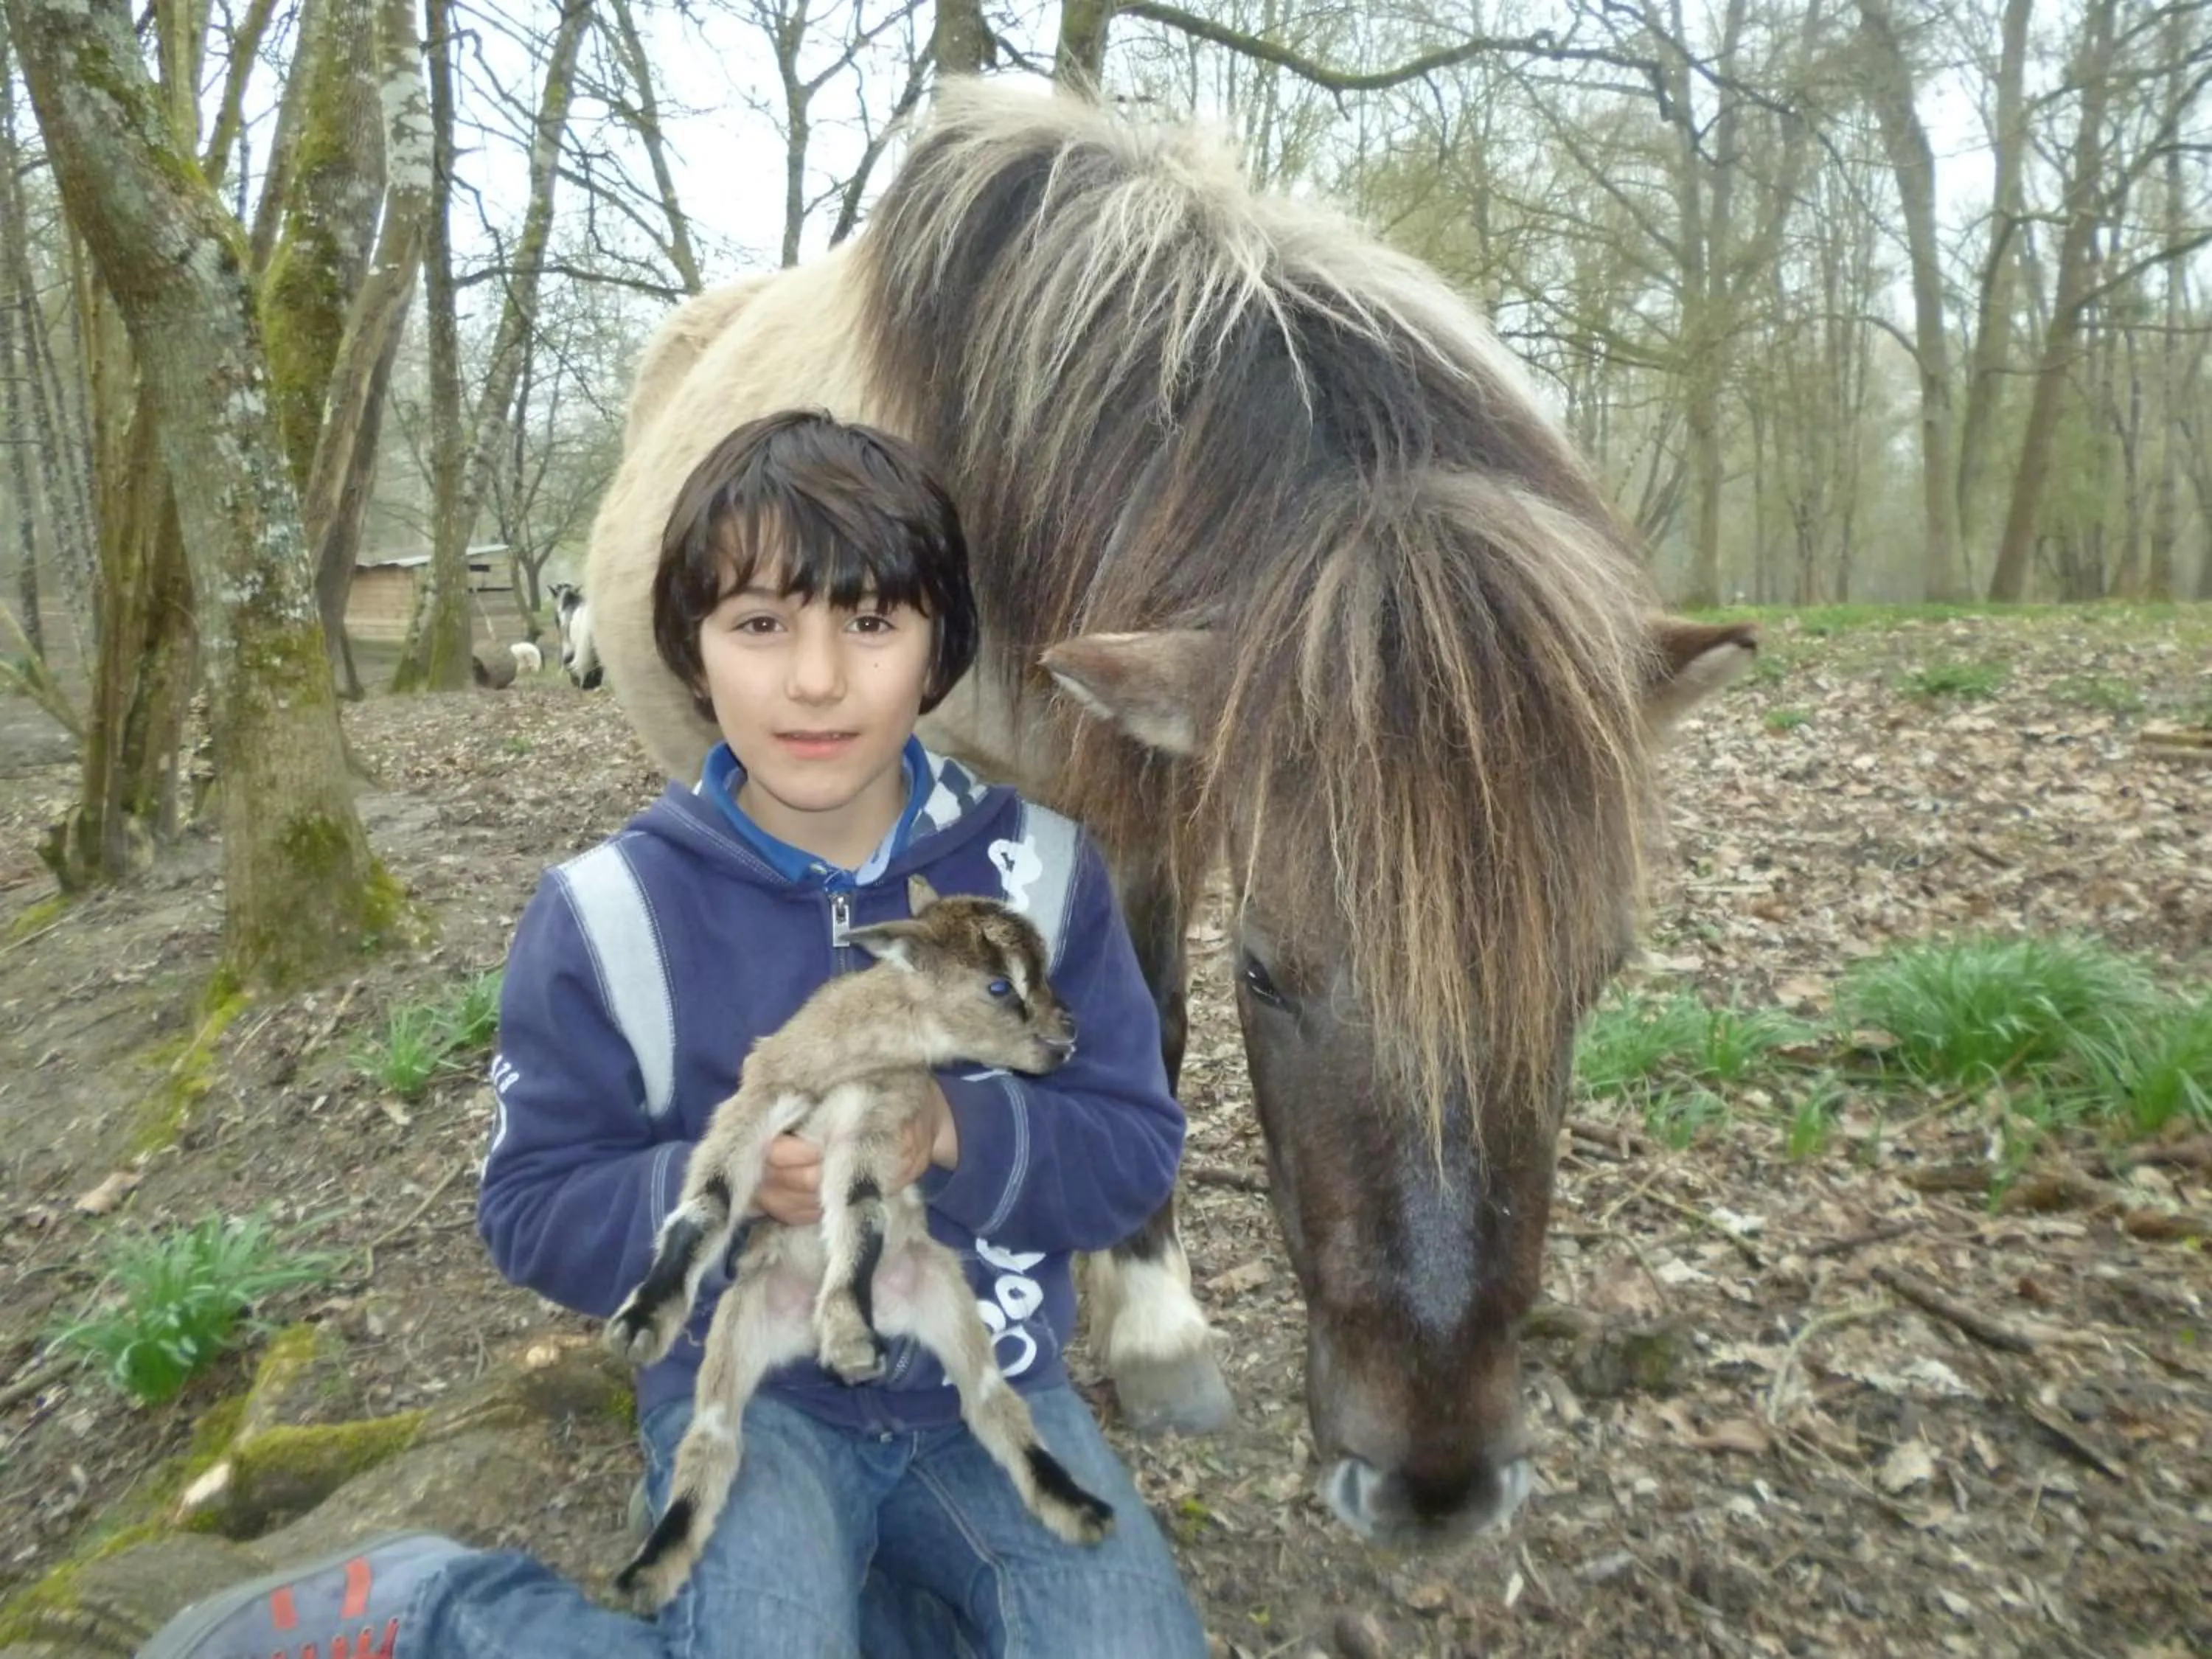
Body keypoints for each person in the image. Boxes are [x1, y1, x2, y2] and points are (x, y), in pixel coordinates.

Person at [145, 411, 1208, 1659]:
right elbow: (531, 1204)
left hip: (992, 1379)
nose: (816, 678)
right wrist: (729, 1181)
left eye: (872, 622)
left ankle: (894, 1609)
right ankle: (449, 1615)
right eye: (759, 625)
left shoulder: (1049, 876)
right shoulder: (606, 916)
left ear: (942, 646)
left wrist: (954, 1127)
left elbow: (1133, 1151)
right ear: (690, 650)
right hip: (753, 1393)